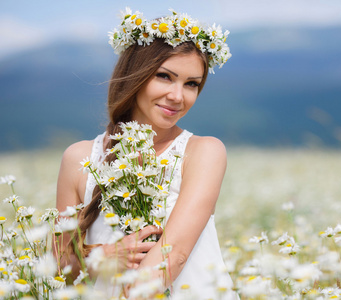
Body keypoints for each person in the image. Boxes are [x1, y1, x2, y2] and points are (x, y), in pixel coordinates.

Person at [55, 7, 236, 299]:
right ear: (135, 75)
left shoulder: (203, 152)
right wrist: (103, 257)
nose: (178, 96)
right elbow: (60, 267)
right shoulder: (78, 158)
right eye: (165, 76)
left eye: (192, 84)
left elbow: (173, 254)